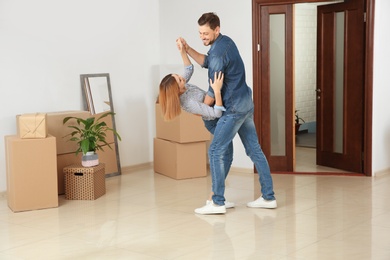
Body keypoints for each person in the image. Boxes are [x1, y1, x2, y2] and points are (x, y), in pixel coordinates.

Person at [178, 12, 277, 215]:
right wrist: (187, 49)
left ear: (217, 29)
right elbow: (206, 61)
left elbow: (211, 95)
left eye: (206, 33)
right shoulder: (226, 43)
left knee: (215, 151)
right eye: (200, 33)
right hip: (246, 104)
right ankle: (268, 197)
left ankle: (217, 201)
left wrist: (203, 110)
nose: (202, 37)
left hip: (232, 109)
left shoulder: (216, 55)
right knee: (254, 150)